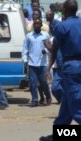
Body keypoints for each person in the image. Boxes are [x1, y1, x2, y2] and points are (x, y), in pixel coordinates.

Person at [40, 0, 81, 140]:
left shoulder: (63, 27)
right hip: (76, 66)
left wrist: (47, 45)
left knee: (75, 102)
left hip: (71, 67)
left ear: (64, 10)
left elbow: (54, 48)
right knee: (67, 103)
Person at [22, 18, 52, 107]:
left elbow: (50, 48)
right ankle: (34, 100)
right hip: (32, 63)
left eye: (38, 24)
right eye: (35, 24)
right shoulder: (29, 36)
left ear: (41, 25)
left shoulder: (46, 35)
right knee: (33, 83)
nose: (36, 25)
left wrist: (45, 50)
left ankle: (48, 96)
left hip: (42, 64)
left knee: (43, 82)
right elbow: (25, 49)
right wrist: (25, 60)